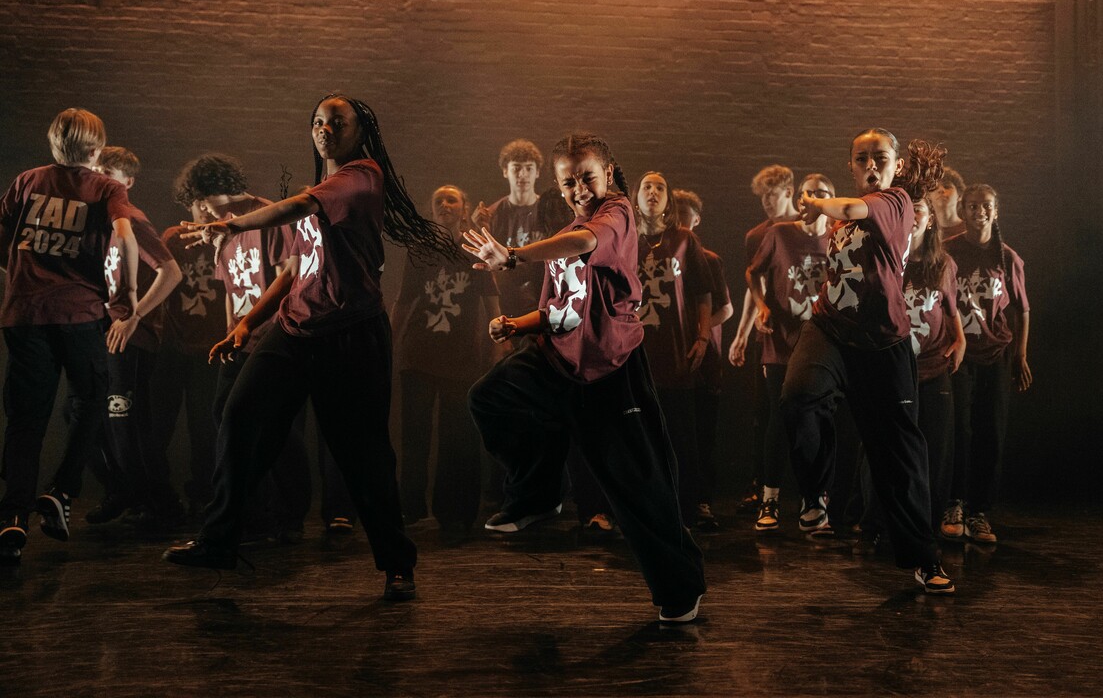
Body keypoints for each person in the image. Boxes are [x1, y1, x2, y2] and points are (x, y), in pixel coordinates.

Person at [163, 94, 457, 601]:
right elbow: (296, 268)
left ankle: (397, 563)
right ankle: (219, 540)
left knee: (363, 454)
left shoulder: (363, 176)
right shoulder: (320, 187)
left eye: (336, 122)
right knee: (238, 417)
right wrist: (248, 321)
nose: (325, 129)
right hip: (295, 328)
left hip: (351, 333)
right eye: (318, 122)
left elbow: (299, 207)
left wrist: (233, 223)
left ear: (359, 130)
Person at [464, 132, 706, 623]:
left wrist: (512, 253)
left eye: (587, 177)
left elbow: (586, 242)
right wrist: (515, 323)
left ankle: (680, 588)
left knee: (637, 483)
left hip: (610, 370)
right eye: (568, 181)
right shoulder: (569, 228)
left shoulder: (615, 214)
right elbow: (560, 309)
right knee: (489, 396)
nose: (579, 188)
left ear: (610, 174)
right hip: (559, 359)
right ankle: (538, 493)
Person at [780, 130, 955, 595]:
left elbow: (851, 209)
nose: (871, 165)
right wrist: (816, 219)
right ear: (852, 166)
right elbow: (831, 227)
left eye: (881, 157)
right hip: (831, 328)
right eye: (863, 159)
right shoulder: (843, 214)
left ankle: (924, 558)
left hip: (882, 344)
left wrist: (818, 205)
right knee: (799, 396)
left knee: (901, 456)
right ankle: (815, 496)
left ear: (896, 166)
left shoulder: (895, 202)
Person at [0, 108, 138, 564]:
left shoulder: (27, 180)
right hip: (78, 313)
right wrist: (130, 295)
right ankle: (61, 491)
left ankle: (13, 515)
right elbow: (124, 235)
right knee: (94, 396)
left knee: (26, 416)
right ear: (96, 149)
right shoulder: (105, 187)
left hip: (23, 315)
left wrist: (20, 276)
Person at [176, 153, 318, 541]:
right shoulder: (223, 232)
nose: (200, 212)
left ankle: (289, 514)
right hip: (241, 339)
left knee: (274, 424)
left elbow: (289, 277)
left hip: (274, 336)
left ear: (209, 194)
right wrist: (230, 331)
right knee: (226, 415)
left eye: (201, 201)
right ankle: (249, 511)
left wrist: (249, 324)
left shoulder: (268, 217)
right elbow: (229, 289)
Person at [856, 183, 966, 554]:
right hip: (890, 372)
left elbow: (952, 316)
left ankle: (925, 527)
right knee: (883, 452)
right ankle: (874, 524)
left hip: (933, 370)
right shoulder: (884, 258)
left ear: (931, 219)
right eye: (909, 209)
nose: (915, 216)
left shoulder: (943, 264)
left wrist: (961, 339)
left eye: (921, 210)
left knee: (934, 452)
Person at [392, 185, 500, 530]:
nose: (444, 204)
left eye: (452, 199)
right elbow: (404, 301)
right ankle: (411, 507)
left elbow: (491, 303)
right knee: (415, 436)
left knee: (457, 438)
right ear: (432, 210)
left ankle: (453, 512)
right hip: (419, 354)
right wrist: (390, 343)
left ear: (464, 207)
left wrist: (498, 347)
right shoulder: (419, 249)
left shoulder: (475, 250)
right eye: (438, 200)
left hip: (461, 358)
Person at [88, 146, 185, 530]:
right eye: (96, 172)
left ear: (127, 182)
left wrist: (134, 317)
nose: (101, 180)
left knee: (126, 420)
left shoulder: (133, 219)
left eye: (108, 174)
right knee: (90, 416)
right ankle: (127, 491)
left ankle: (161, 502)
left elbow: (171, 272)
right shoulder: (104, 222)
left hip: (132, 338)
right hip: (105, 335)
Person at [940, 183, 1031, 545]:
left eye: (987, 206)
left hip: (995, 355)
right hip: (958, 354)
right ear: (962, 211)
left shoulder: (1007, 257)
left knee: (990, 432)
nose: (980, 212)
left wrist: (1021, 356)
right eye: (973, 206)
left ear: (997, 211)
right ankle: (954, 504)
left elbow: (1022, 310)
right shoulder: (947, 253)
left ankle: (979, 511)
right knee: (958, 429)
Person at [745, 173, 833, 534]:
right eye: (807, 193)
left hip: (822, 343)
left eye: (822, 193)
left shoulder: (838, 237)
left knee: (818, 423)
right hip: (782, 341)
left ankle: (815, 500)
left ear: (832, 198)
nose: (812, 198)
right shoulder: (780, 233)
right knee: (780, 421)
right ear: (799, 200)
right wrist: (763, 306)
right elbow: (753, 272)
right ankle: (770, 499)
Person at [633, 172, 712, 527]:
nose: (653, 192)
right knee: (638, 434)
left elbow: (702, 292)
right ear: (635, 197)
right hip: (634, 353)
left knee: (681, 434)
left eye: (660, 187)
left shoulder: (684, 240)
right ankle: (642, 507)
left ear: (669, 200)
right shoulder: (623, 240)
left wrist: (703, 337)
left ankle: (688, 506)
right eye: (646, 186)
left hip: (676, 350)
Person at [145, 190, 226, 521]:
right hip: (174, 345)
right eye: (199, 202)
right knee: (157, 424)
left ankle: (203, 496)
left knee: (204, 427)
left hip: (210, 347)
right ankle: (157, 498)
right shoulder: (174, 236)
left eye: (211, 202)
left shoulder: (230, 233)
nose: (205, 209)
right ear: (189, 204)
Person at [728, 165, 800, 513]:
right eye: (763, 196)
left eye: (773, 194)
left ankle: (810, 493)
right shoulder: (757, 234)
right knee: (766, 412)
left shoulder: (808, 225)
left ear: (789, 190)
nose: (768, 202)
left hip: (803, 329)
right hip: (770, 332)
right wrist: (741, 333)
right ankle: (763, 487)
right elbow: (752, 285)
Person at [673, 188, 733, 531]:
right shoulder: (661, 256)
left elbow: (724, 307)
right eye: (676, 213)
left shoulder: (707, 258)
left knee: (702, 435)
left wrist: (695, 329)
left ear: (697, 220)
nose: (681, 220)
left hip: (704, 360)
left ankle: (701, 501)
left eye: (687, 215)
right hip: (672, 362)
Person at [472, 139, 545, 315]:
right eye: (517, 168)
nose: (523, 174)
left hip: (543, 298)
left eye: (529, 168)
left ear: (537, 173)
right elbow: (483, 265)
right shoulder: (492, 213)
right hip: (506, 301)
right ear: (505, 171)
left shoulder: (549, 210)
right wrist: (479, 229)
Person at [930, 167, 966, 239]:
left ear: (959, 195)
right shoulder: (924, 231)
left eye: (947, 187)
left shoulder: (970, 229)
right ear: (928, 197)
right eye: (935, 187)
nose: (941, 190)